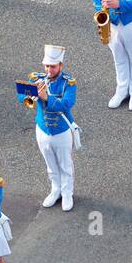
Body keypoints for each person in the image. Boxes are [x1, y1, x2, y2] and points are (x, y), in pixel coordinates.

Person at [29, 44, 79, 212]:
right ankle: (55, 189)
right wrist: (29, 94)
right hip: (42, 129)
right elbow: (22, 92)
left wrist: (46, 97)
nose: (49, 70)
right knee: (50, 163)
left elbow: (66, 104)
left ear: (60, 66)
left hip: (62, 130)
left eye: (53, 66)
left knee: (65, 164)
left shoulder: (68, 83)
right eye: (47, 66)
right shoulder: (36, 78)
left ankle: (67, 193)